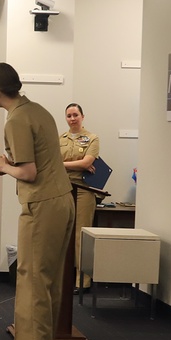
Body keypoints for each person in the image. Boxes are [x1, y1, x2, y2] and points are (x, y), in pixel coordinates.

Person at [0, 62, 74, 340]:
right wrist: (11, 163)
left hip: (42, 205)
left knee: (32, 280)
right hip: (61, 199)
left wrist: (4, 167)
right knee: (47, 280)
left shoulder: (17, 120)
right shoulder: (37, 110)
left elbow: (29, 172)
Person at [61, 102, 101, 293]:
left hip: (83, 190)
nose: (72, 118)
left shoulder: (92, 138)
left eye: (75, 115)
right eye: (69, 115)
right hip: (62, 190)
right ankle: (64, 278)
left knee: (80, 236)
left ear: (82, 117)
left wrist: (64, 164)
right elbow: (51, 161)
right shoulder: (60, 138)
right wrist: (78, 164)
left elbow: (87, 162)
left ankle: (82, 281)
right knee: (62, 235)